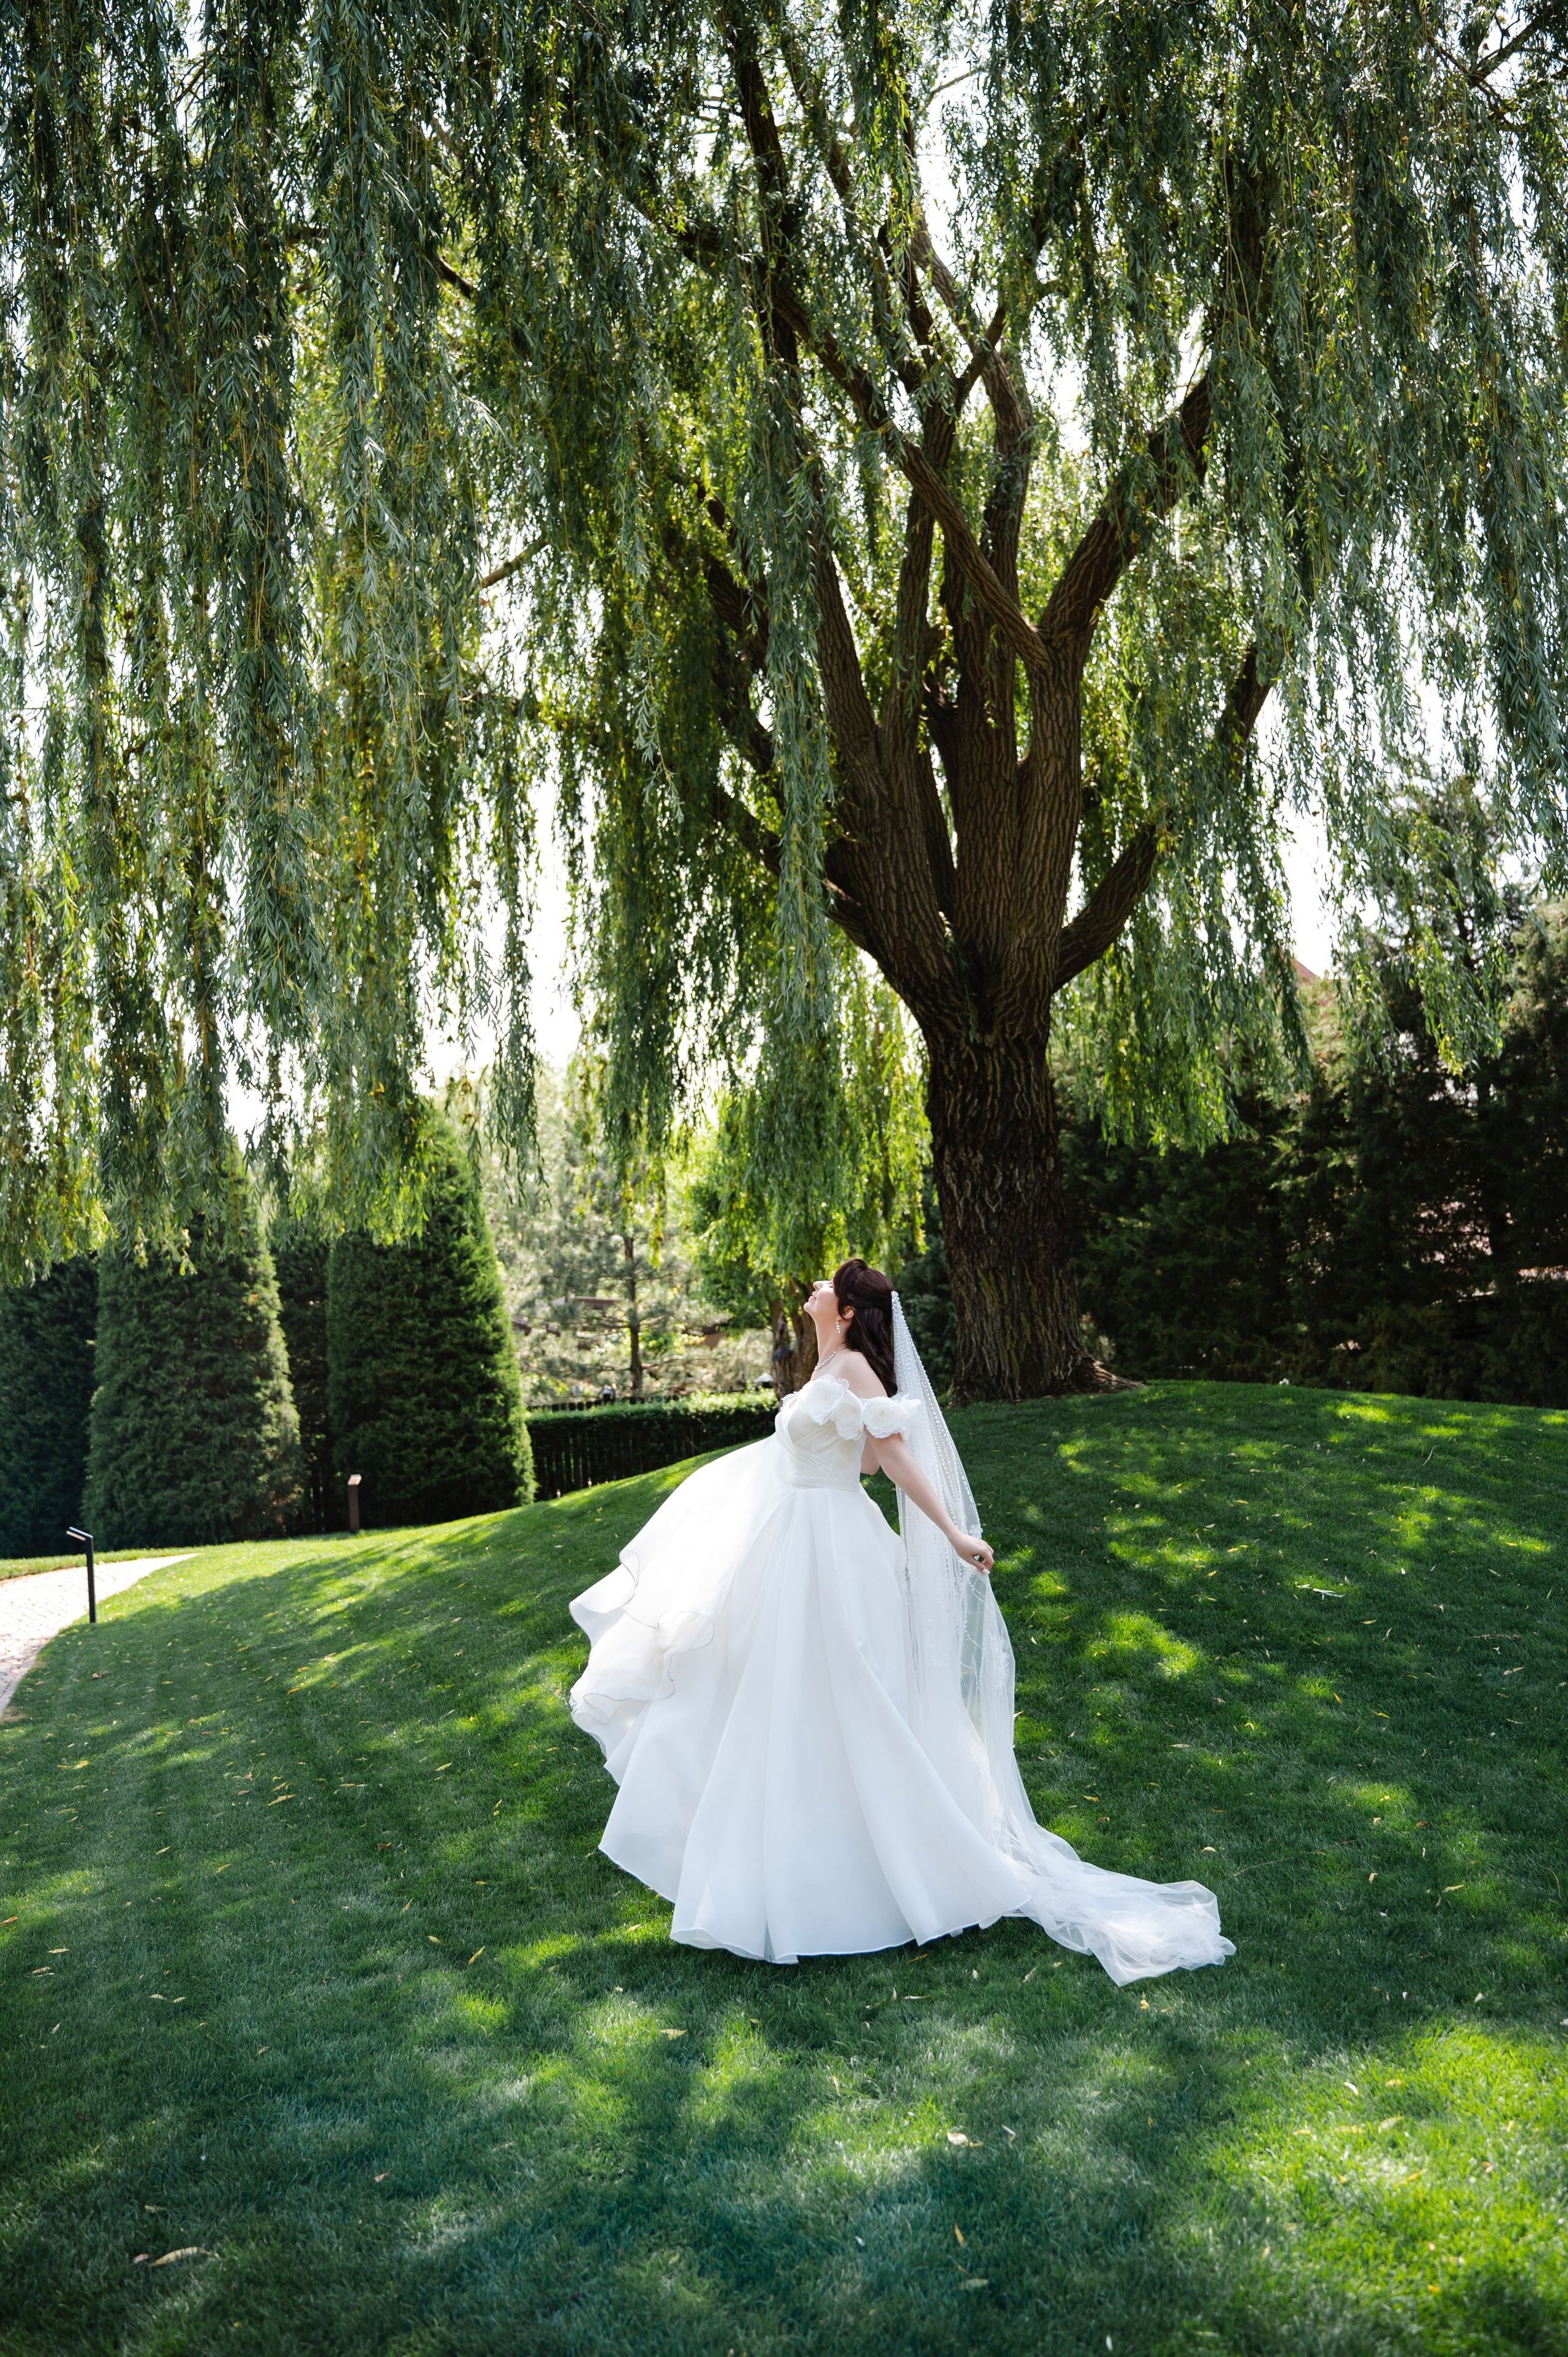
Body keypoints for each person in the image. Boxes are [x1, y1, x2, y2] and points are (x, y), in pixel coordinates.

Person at [568, 1257, 1234, 1983]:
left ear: (848, 1310)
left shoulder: (854, 1369)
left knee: (847, 1698)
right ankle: (780, 1872)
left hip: (832, 1553)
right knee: (776, 1702)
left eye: (827, 1286)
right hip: (795, 1543)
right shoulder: (827, 1364)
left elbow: (888, 1459)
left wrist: (952, 1532)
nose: (814, 1289)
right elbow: (842, 1461)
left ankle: (888, 1871)